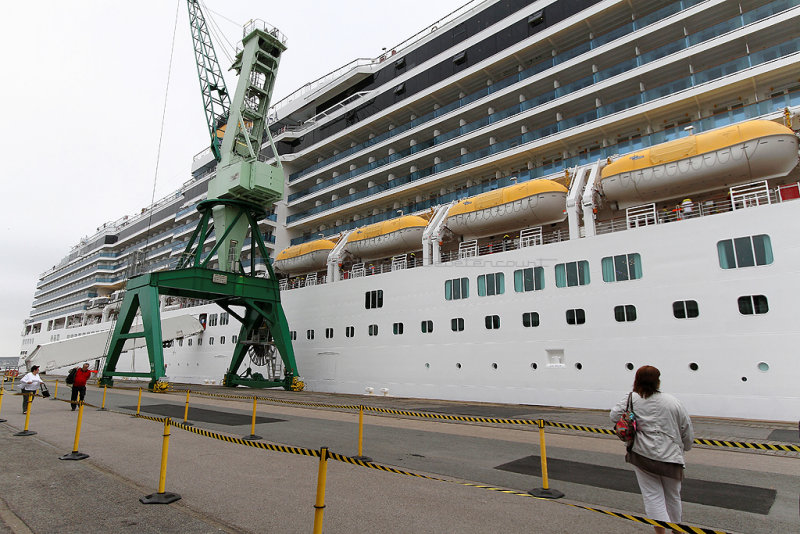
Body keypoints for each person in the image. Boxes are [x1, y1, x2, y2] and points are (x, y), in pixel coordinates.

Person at [610, 366, 694, 534]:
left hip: (642, 455)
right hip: (671, 457)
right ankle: (677, 531)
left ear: (636, 380)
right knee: (673, 497)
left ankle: (660, 532)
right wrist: (686, 447)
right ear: (658, 381)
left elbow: (613, 416)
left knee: (652, 497)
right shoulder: (672, 402)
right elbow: (687, 430)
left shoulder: (631, 399)